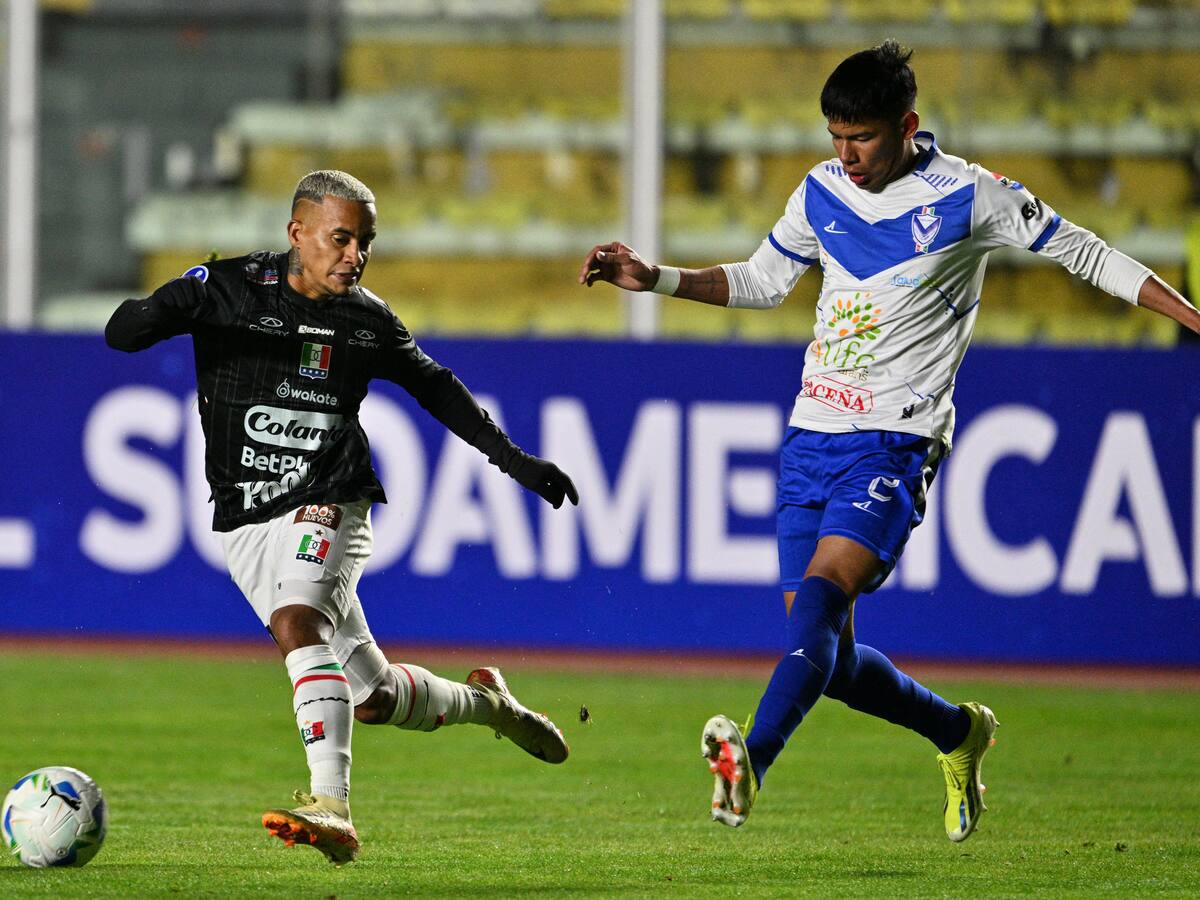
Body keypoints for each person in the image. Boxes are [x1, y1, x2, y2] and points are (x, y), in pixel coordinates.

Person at [579, 41, 1200, 842]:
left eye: (862, 138)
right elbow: (765, 281)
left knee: (824, 599)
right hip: (811, 433)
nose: (847, 155)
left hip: (895, 439)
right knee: (827, 659)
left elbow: (1085, 253)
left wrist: (1190, 318)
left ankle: (751, 764)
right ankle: (959, 733)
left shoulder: (971, 196)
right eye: (836, 137)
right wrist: (655, 277)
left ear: (906, 125)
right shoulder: (821, 190)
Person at [107, 169, 579, 865]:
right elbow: (124, 333)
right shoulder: (228, 290)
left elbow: (437, 387)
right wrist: (157, 311)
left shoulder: (365, 319)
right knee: (375, 698)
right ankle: (492, 706)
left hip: (333, 494)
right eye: (340, 238)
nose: (354, 255)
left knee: (299, 624)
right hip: (246, 517)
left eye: (365, 242)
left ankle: (331, 805)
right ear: (297, 233)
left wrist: (516, 462)